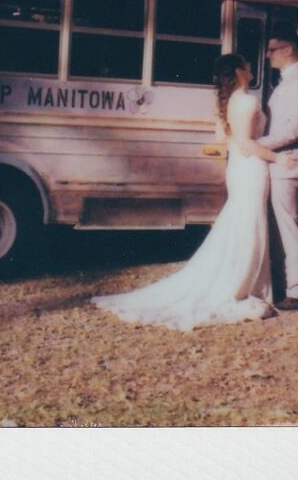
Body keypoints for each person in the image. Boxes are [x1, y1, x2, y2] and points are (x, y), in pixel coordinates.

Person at [90, 53, 287, 330]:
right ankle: (243, 285)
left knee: (241, 223)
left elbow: (224, 138)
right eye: (247, 64)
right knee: (249, 224)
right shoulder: (248, 100)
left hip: (238, 168)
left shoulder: (228, 101)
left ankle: (242, 281)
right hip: (251, 167)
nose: (252, 67)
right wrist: (278, 158)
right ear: (240, 72)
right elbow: (244, 142)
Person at [255, 25, 298, 311]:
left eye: (272, 50)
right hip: (275, 159)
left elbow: (292, 129)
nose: (268, 56)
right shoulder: (286, 82)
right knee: (279, 228)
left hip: (287, 160)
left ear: (289, 50)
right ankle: (283, 283)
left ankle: (297, 289)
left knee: (289, 226)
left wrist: (256, 143)